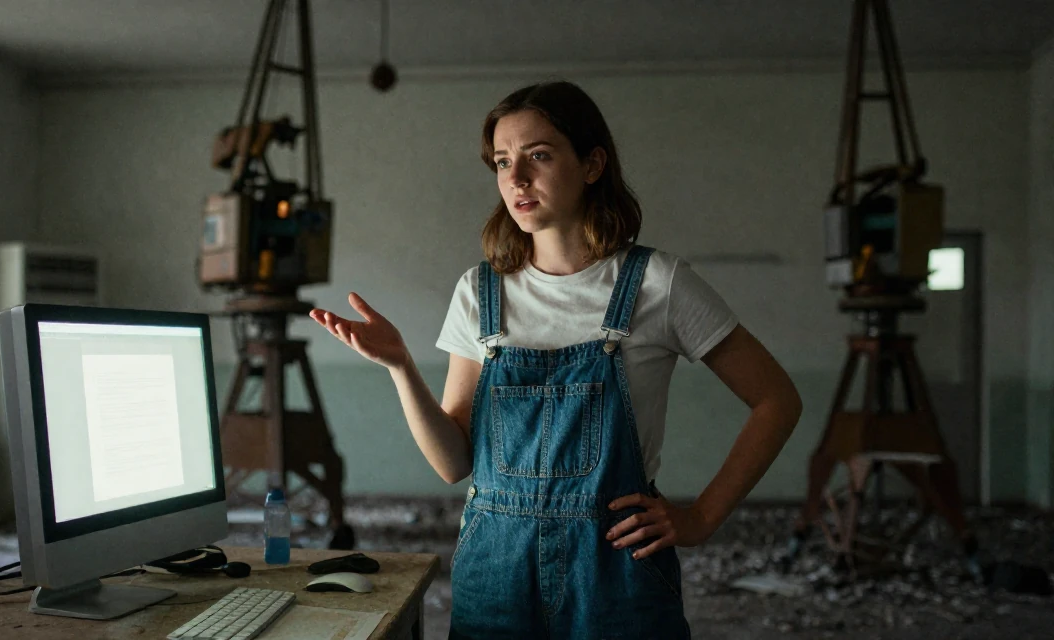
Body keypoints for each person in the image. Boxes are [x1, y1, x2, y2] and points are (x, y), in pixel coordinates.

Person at [309, 81, 803, 639]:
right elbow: (453, 463)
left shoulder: (658, 284)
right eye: (502, 161)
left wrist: (702, 518)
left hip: (616, 574)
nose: (515, 179)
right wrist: (400, 365)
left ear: (592, 164)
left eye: (538, 156)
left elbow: (777, 400)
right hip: (495, 572)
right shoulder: (480, 292)